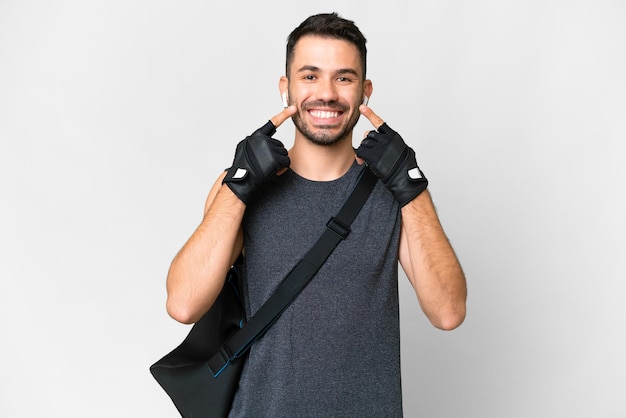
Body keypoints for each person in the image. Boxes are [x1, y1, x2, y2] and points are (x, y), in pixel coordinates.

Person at [165, 12, 467, 417]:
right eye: (310, 76)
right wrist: (237, 188)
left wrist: (412, 185)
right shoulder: (240, 187)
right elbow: (183, 304)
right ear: (285, 89)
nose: (327, 93)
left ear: (365, 92)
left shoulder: (393, 192)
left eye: (344, 78)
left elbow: (448, 312)